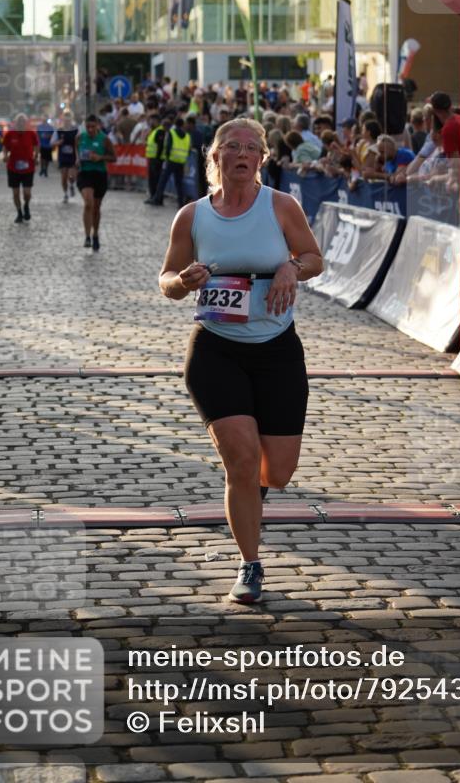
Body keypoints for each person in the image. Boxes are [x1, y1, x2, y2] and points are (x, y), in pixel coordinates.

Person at [159, 118, 323, 604]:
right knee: (242, 462)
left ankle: (252, 494)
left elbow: (314, 257)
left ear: (262, 159)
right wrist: (183, 282)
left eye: (251, 147)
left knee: (279, 471)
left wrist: (290, 269)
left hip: (276, 350)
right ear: (215, 158)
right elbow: (166, 278)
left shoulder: (281, 207)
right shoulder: (192, 216)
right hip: (214, 351)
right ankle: (250, 565)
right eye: (231, 146)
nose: (241, 153)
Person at [75, 113, 116, 251]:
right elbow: (76, 153)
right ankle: (87, 236)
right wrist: (77, 160)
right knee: (88, 203)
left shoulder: (105, 140)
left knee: (96, 208)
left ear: (98, 125)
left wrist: (100, 157)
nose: (90, 130)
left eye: (92, 127)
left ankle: (95, 234)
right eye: (88, 127)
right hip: (85, 173)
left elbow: (113, 157)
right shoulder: (80, 138)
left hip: (100, 174)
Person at [2, 113, 39, 223]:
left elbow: (37, 145)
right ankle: (19, 213)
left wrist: (36, 156)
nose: (21, 124)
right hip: (13, 167)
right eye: (19, 122)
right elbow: (4, 146)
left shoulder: (31, 133)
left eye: (23, 122)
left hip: (28, 168)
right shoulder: (10, 134)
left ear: (26, 123)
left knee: (27, 193)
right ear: (15, 123)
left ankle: (26, 205)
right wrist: (5, 155)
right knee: (15, 193)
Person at [153, 116, 191, 208]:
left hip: (171, 161)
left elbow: (168, 147)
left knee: (163, 181)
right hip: (181, 162)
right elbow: (189, 150)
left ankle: (157, 199)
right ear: (183, 125)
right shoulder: (187, 136)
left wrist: (166, 157)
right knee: (179, 184)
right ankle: (180, 203)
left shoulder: (172, 133)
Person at [51, 112, 78, 202]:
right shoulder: (59, 131)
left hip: (72, 156)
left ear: (71, 120)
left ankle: (71, 185)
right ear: (63, 120)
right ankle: (66, 194)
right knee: (63, 177)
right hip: (62, 157)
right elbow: (52, 143)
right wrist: (58, 142)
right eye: (65, 120)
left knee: (71, 176)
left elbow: (80, 141)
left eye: (68, 120)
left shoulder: (75, 131)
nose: (67, 122)